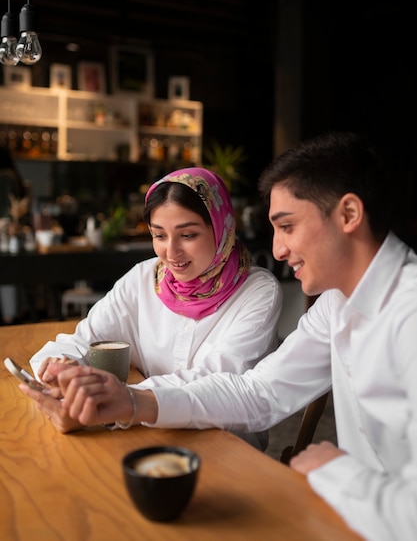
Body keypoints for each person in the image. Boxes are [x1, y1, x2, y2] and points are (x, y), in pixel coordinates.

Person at [21, 131, 417, 541]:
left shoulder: (409, 315)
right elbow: (259, 393)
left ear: (349, 214)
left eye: (288, 226)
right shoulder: (336, 304)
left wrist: (337, 473)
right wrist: (130, 400)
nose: (278, 250)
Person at [27, 166, 282, 449]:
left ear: (222, 227)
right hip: (147, 432)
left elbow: (216, 382)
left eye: (188, 235)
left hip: (225, 445)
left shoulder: (258, 292)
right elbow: (85, 339)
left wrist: (119, 401)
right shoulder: (143, 278)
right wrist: (62, 370)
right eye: (159, 236)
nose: (171, 253)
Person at [0, 146, 26, 324]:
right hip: (11, 232)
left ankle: (10, 318)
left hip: (5, 232)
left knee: (7, 276)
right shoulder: (12, 177)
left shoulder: (5, 179)